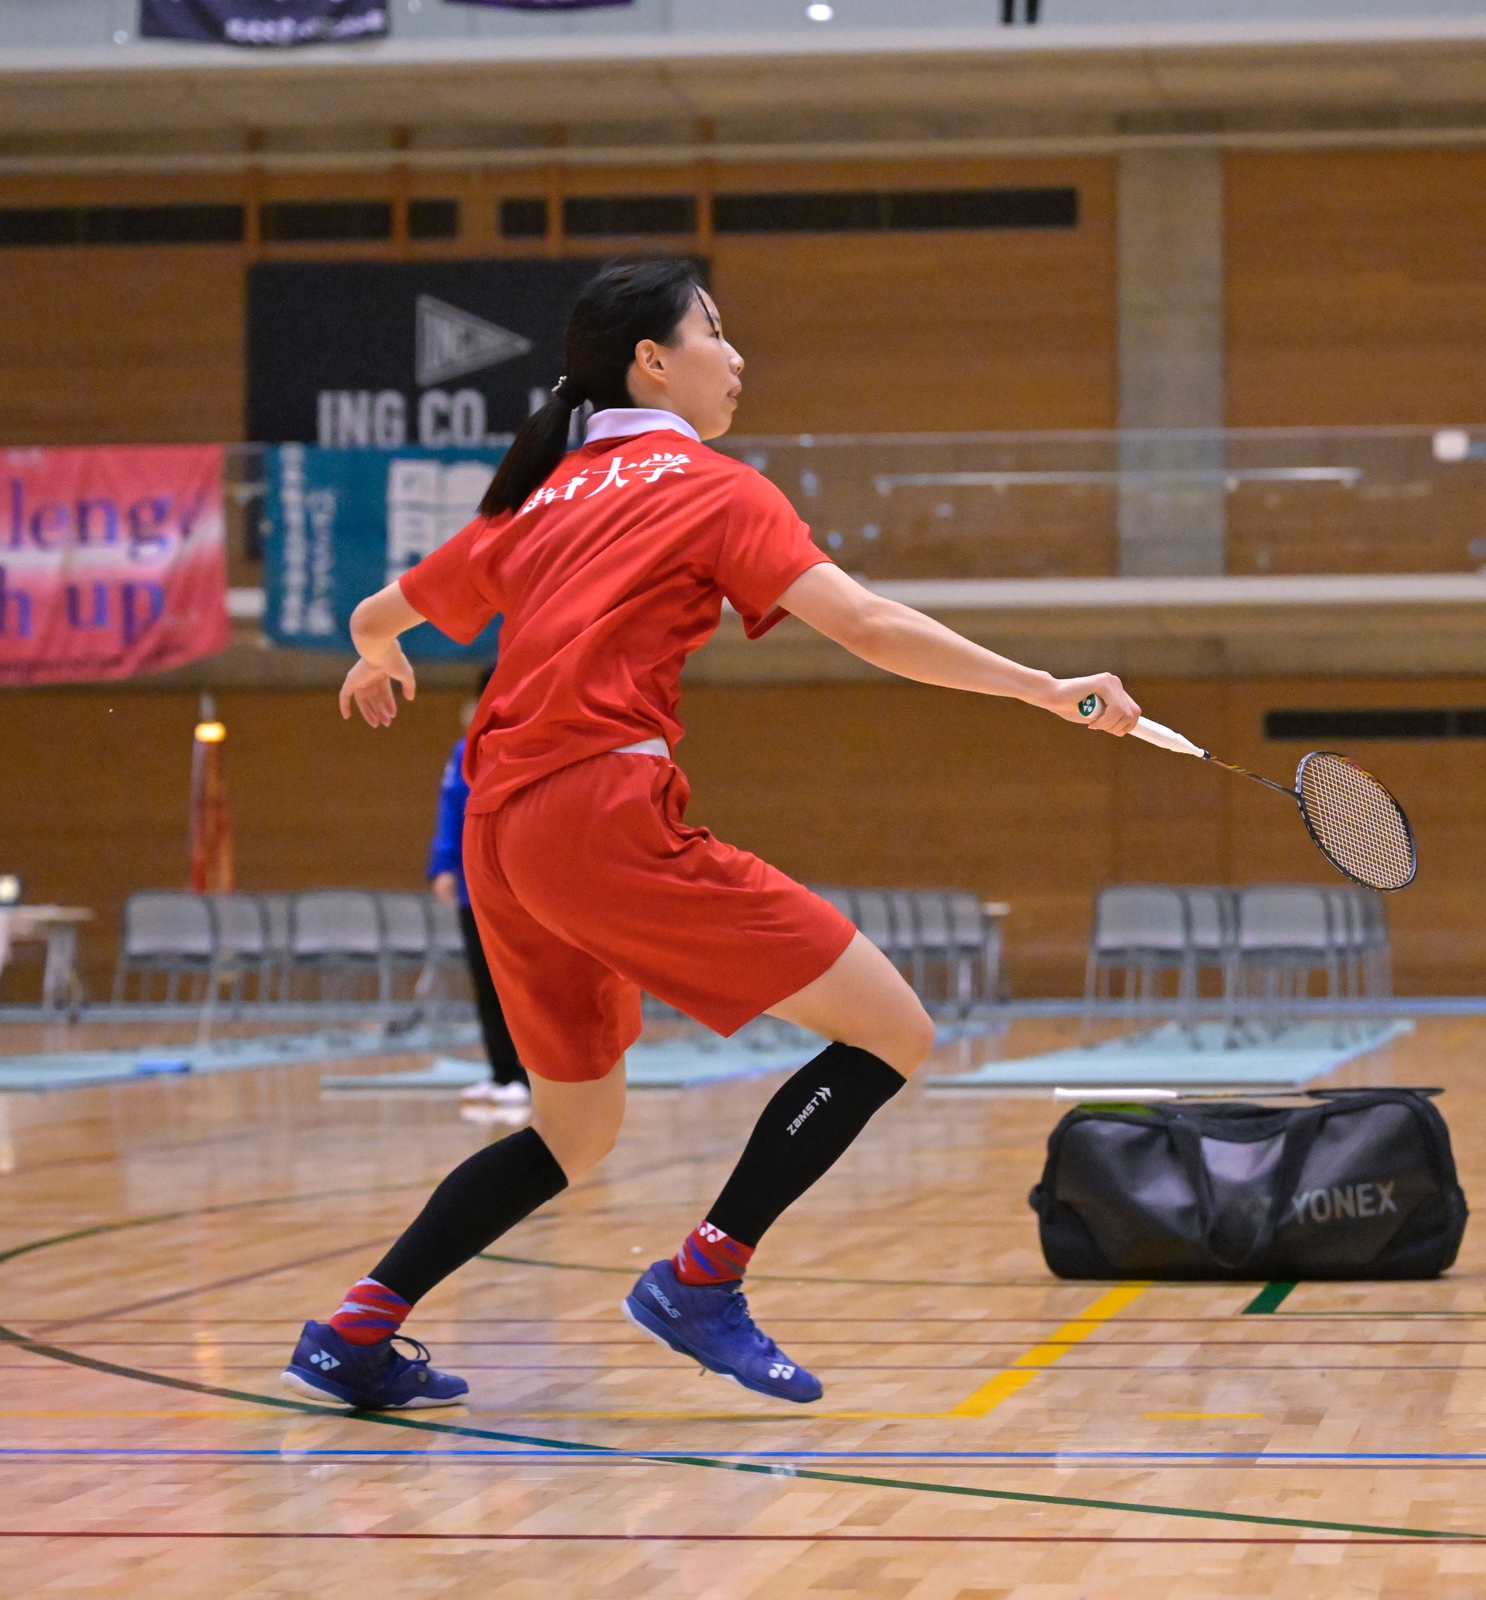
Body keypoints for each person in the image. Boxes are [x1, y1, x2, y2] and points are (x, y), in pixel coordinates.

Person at [281, 258, 1142, 1412]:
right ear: (652, 360)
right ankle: (701, 1278)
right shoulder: (712, 486)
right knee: (893, 1029)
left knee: (573, 1130)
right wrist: (1045, 689)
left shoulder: (535, 497)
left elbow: (372, 612)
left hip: (501, 837)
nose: (735, 357)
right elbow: (866, 623)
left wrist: (377, 655)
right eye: (716, 333)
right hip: (598, 815)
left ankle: (355, 1331)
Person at [428, 667, 530, 1116]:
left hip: (523, 890)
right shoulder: (465, 751)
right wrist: (443, 866)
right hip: (476, 888)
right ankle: (503, 1072)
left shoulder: (535, 747)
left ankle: (531, 1074)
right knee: (487, 983)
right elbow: (452, 808)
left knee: (526, 987)